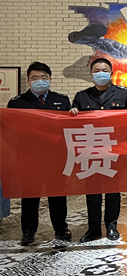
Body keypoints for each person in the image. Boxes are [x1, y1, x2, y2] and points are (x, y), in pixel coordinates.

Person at [70, 58, 127, 242]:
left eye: (104, 70)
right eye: (97, 70)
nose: (101, 73)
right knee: (92, 192)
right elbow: (74, 125)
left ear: (111, 73)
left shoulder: (124, 94)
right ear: (91, 74)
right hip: (90, 152)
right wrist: (73, 113)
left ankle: (112, 226)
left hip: (115, 150)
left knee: (113, 192)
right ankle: (93, 228)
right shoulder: (82, 96)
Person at [8, 62, 72, 246]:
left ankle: (61, 228)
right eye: (35, 78)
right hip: (29, 158)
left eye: (44, 77)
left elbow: (68, 127)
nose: (40, 81)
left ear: (50, 79)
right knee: (30, 196)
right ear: (28, 81)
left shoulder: (61, 100)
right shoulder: (17, 102)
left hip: (55, 157)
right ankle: (28, 231)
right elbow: (10, 132)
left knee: (57, 194)